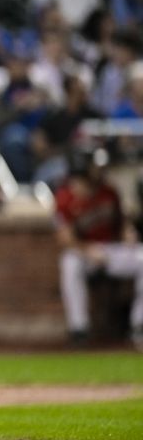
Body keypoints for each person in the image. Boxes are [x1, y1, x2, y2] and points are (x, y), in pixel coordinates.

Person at [54, 147, 143, 348]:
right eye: (95, 167)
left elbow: (122, 223)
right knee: (69, 263)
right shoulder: (65, 196)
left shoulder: (108, 191)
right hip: (84, 251)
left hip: (110, 250)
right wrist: (87, 250)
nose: (99, 170)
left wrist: (127, 234)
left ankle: (140, 324)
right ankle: (79, 328)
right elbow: (65, 238)